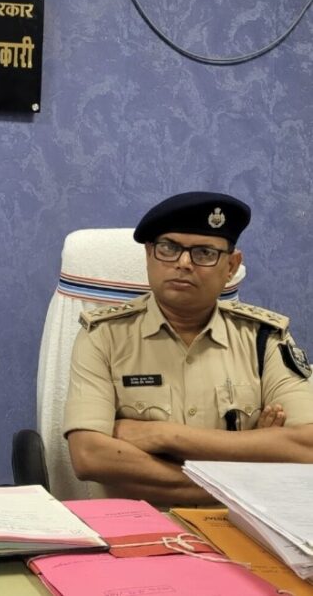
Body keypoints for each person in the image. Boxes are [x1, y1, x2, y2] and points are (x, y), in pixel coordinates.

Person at [63, 191, 313, 506]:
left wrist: (164, 435)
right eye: (168, 248)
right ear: (149, 256)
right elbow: (89, 456)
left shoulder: (265, 339)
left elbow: (307, 448)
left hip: (239, 526)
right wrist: (253, 463)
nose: (183, 263)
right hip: (141, 526)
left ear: (231, 266)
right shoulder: (104, 336)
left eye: (204, 253)